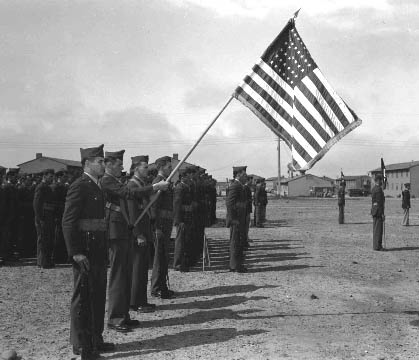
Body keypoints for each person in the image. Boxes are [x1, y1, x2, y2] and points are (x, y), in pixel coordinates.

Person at [62, 144, 114, 359]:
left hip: (98, 249)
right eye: (100, 161)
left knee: (98, 295)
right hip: (85, 250)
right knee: (83, 298)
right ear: (87, 164)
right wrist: (76, 252)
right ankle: (83, 347)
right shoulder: (80, 186)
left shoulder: (97, 186)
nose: (104, 164)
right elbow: (68, 221)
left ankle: (95, 339)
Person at [126, 155, 157, 313]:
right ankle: (135, 302)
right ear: (136, 168)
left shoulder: (142, 184)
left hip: (145, 228)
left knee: (143, 268)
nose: (147, 170)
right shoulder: (132, 185)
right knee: (137, 269)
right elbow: (132, 213)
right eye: (145, 167)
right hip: (138, 232)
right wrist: (138, 234)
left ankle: (142, 300)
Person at [150, 156, 175, 299]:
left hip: (166, 224)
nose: (171, 169)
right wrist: (157, 227)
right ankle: (156, 288)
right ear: (161, 168)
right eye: (168, 167)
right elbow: (154, 207)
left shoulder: (165, 183)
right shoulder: (157, 183)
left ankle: (162, 285)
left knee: (164, 256)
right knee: (159, 257)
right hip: (160, 226)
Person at [226, 166, 248, 273]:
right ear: (238, 175)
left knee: (239, 241)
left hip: (240, 218)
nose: (246, 177)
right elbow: (230, 204)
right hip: (236, 219)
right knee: (235, 241)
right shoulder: (235, 186)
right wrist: (233, 219)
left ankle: (238, 264)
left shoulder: (240, 185)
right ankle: (234, 265)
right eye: (244, 175)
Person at [173, 167, 194, 272]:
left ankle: (184, 262)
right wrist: (178, 220)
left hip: (187, 217)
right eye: (188, 175)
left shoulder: (186, 187)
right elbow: (177, 205)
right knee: (180, 241)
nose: (190, 177)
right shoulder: (179, 188)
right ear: (183, 177)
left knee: (185, 241)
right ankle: (178, 264)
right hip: (182, 219)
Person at [33, 169, 56, 268]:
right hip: (43, 217)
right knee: (42, 239)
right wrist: (40, 218)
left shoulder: (47, 187)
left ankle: (46, 260)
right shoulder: (41, 187)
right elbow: (36, 204)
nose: (52, 179)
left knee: (48, 239)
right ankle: (42, 262)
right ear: (45, 176)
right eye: (50, 177)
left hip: (48, 217)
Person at [371, 173, 385, 251]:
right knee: (378, 230)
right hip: (378, 211)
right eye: (381, 180)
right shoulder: (379, 189)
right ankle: (377, 246)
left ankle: (376, 245)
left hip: (374, 210)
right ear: (378, 180)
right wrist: (382, 213)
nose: (382, 182)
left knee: (376, 229)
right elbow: (380, 203)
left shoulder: (374, 188)